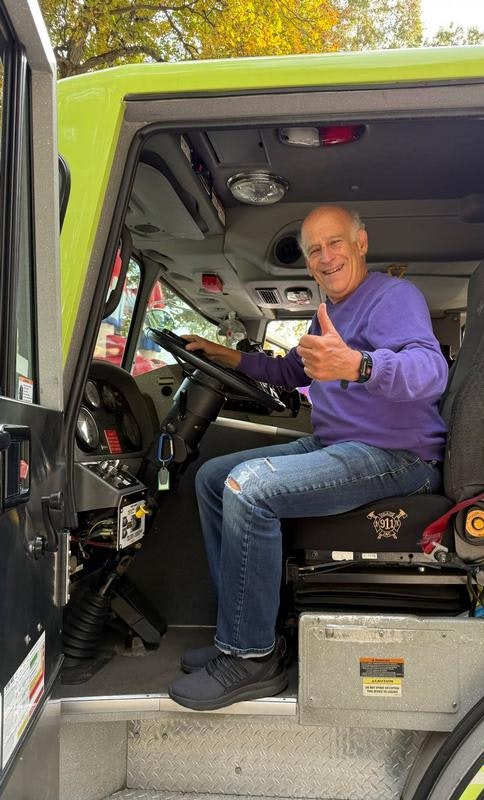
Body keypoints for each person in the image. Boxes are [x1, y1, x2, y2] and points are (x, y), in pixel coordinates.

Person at [168, 205, 448, 711]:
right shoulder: (329, 313)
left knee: (249, 487)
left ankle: (252, 658)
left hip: (398, 456)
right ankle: (246, 628)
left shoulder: (392, 297)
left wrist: (360, 365)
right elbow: (293, 372)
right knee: (212, 477)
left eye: (335, 242)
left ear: (361, 243)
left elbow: (430, 370)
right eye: (314, 249)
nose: (325, 256)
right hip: (337, 445)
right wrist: (231, 357)